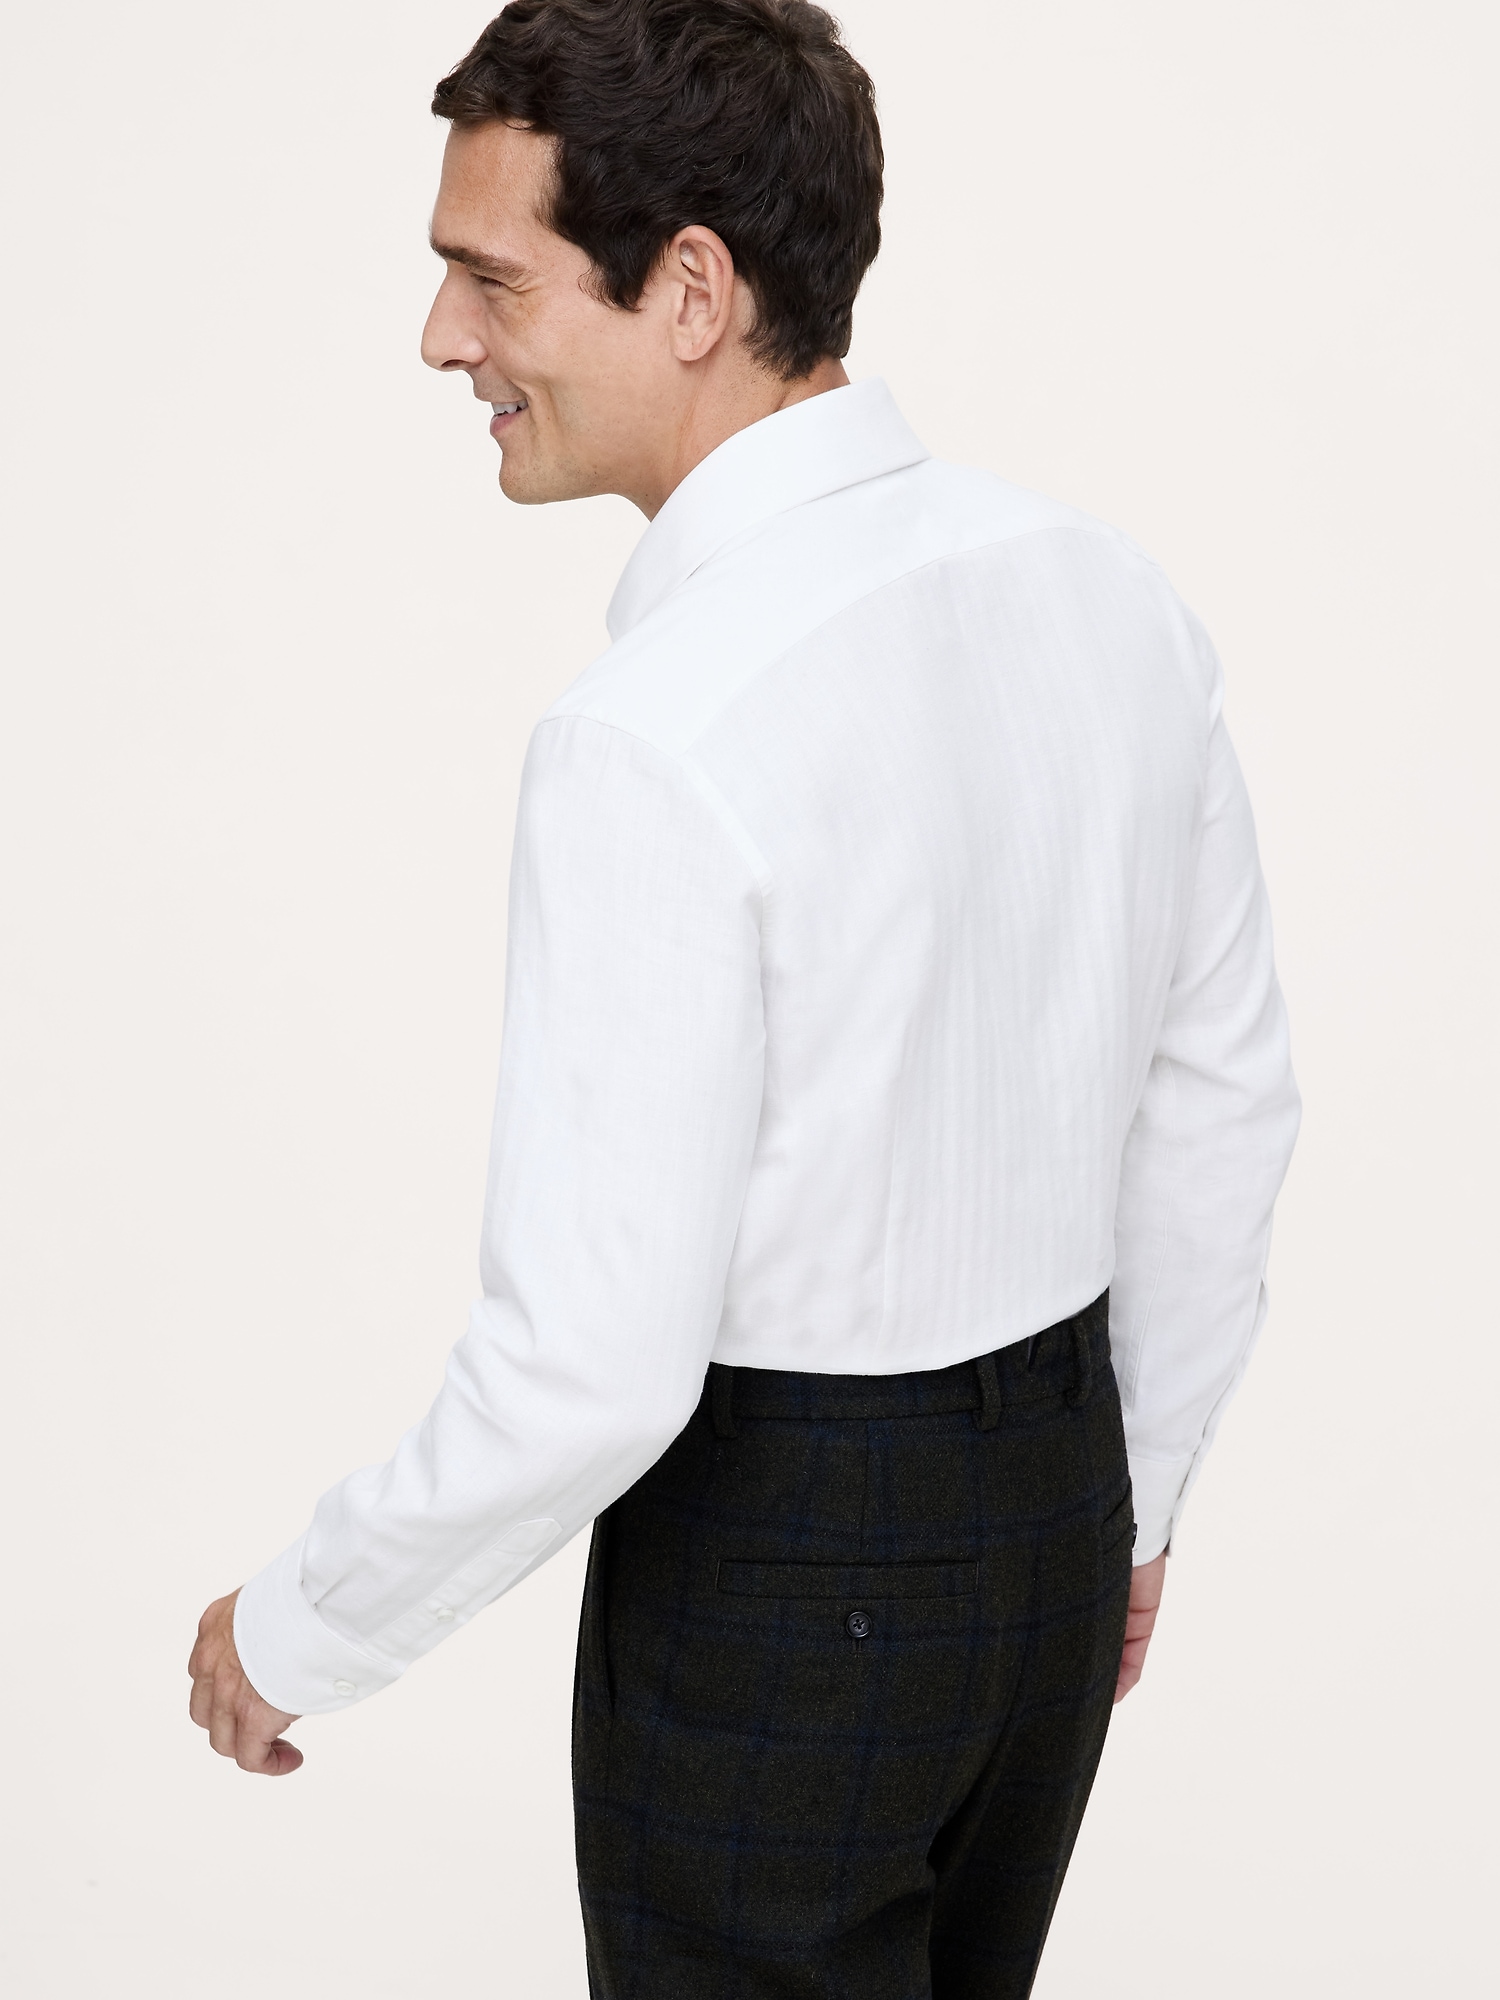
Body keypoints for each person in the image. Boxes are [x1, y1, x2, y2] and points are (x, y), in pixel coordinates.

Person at [188, 2, 1300, 1992]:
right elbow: (1225, 1106)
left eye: (491, 278)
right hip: (1055, 1523)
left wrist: (299, 1624)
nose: (441, 339)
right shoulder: (1104, 592)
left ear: (692, 291)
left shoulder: (652, 734)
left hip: (786, 1573)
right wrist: (1129, 1506)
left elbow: (591, 1369)